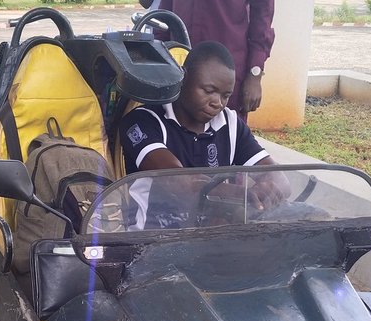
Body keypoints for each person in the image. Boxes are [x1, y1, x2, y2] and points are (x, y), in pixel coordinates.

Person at [119, 42, 280, 228]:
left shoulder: (231, 123)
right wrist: (239, 195)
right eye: (209, 91)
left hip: (211, 241)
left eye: (226, 95)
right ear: (184, 77)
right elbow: (177, 182)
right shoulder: (143, 121)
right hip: (152, 242)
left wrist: (265, 190)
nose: (218, 103)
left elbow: (278, 177)